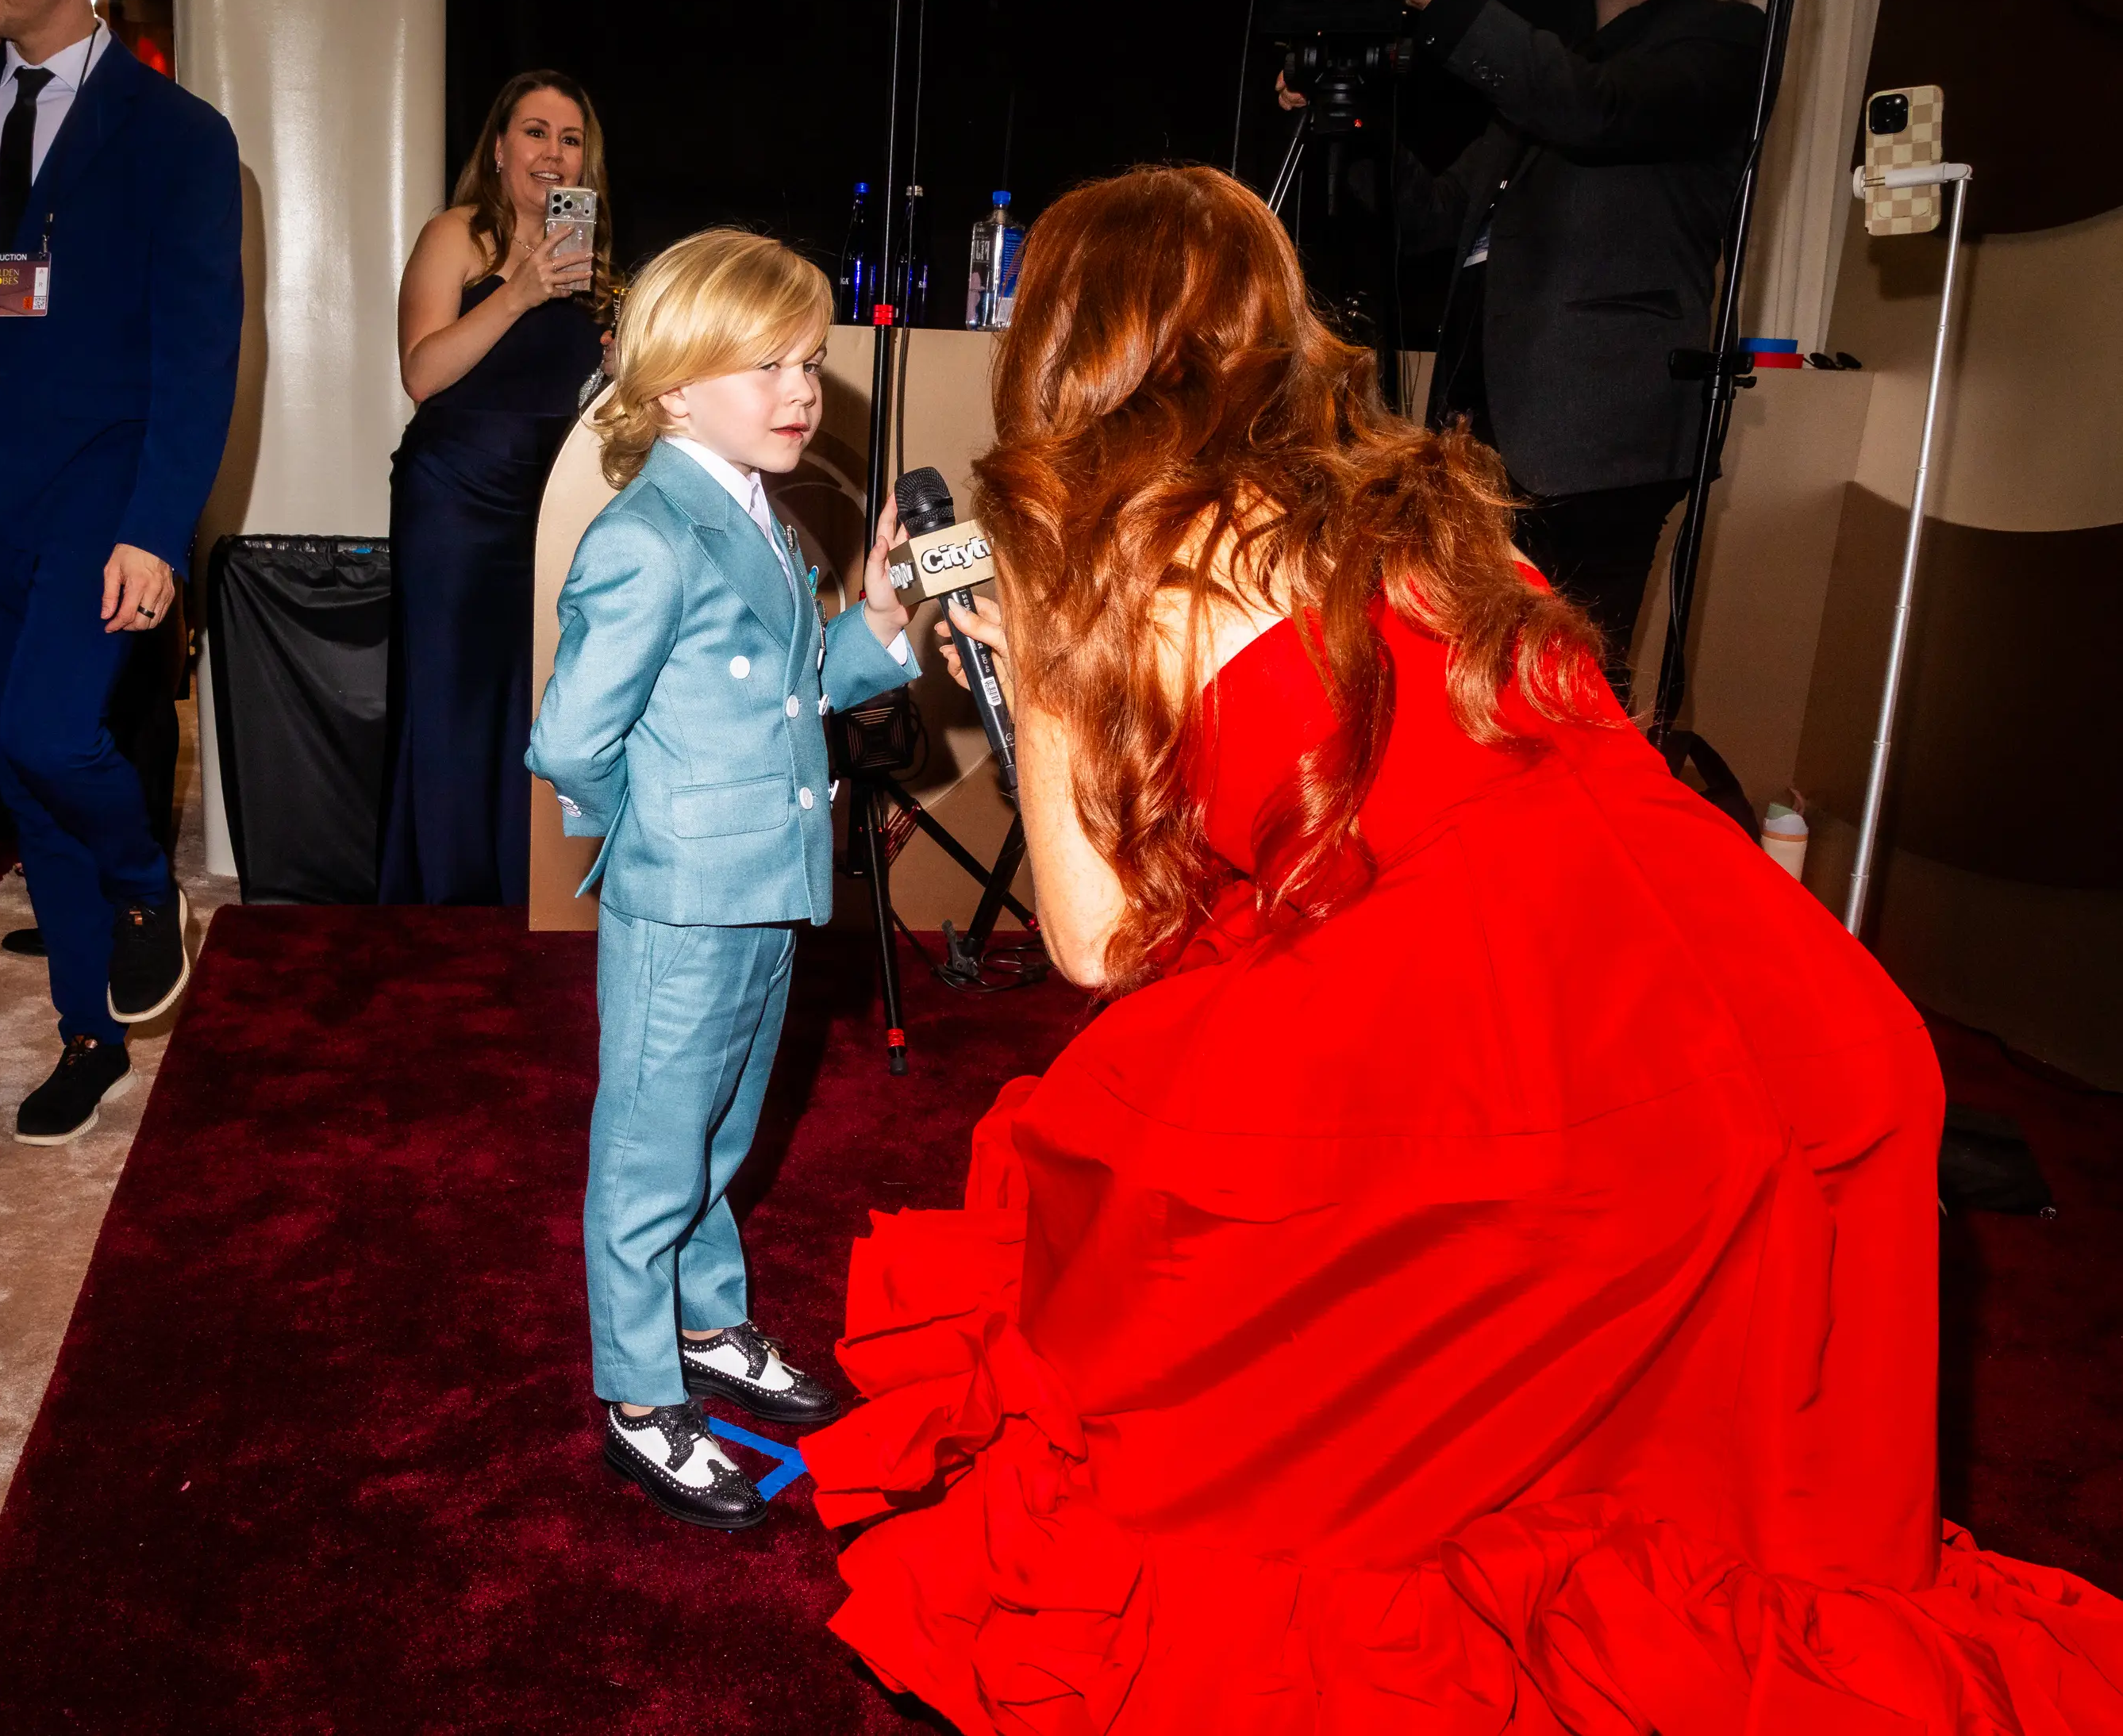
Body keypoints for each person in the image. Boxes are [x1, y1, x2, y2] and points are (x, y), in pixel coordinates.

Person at [798, 167, 2123, 1732]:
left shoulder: (1111, 552)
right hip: (1793, 1026)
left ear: (1057, 354)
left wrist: (1022, 672)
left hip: (1527, 1062)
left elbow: (1090, 947)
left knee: (1158, 1244)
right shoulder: (1430, 506)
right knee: (1701, 1528)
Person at [528, 229, 920, 1531]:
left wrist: (881, 629)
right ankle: (641, 1394)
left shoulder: (762, 515)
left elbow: (797, 687)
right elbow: (570, 739)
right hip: (688, 893)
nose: (802, 388)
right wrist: (650, 844)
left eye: (809, 360)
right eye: (768, 364)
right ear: (679, 384)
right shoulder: (648, 537)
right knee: (649, 1147)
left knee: (722, 1128)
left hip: (768, 886)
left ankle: (708, 1321)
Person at [0, 0, 240, 1143]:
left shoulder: (178, 133)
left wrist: (156, 527)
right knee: (25, 780)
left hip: (98, 491)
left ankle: (143, 884)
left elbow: (197, 349)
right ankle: (89, 1032)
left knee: (47, 729)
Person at [1320, 0, 1763, 697]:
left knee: (1561, 694)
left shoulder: (1721, 40)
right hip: (1481, 422)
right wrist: (1348, 121)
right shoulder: (1560, 71)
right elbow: (1432, 215)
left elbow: (1598, 111)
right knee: (1462, 681)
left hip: (1593, 435)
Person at [381, 70, 610, 906]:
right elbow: (422, 374)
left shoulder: (590, 263)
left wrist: (618, 364)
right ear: (501, 146)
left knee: (535, 704)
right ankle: (440, 902)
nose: (553, 152)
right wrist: (517, 293)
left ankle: (526, 895)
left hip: (550, 511)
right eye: (536, 132)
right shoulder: (457, 235)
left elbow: (574, 398)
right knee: (448, 705)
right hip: (453, 501)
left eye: (571, 138)